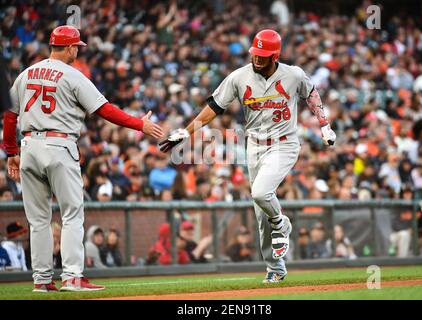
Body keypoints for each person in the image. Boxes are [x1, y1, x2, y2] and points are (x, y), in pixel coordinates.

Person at [158, 29, 336, 283]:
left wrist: (325, 125)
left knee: (261, 193)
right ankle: (275, 268)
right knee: (260, 214)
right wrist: (186, 133)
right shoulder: (239, 77)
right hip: (254, 146)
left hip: (284, 144)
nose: (258, 58)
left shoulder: (293, 74)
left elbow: (312, 94)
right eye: (256, 53)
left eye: (264, 54)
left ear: (275, 55)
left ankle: (281, 223)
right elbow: (214, 108)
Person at [2, 25, 163, 292]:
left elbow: (9, 114)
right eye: (77, 46)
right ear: (68, 47)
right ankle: (72, 277)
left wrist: (10, 152)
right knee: (72, 214)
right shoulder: (72, 75)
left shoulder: (26, 73)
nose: (78, 51)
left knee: (38, 220)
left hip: (28, 145)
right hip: (59, 143)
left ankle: (41, 281)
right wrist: (139, 125)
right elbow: (105, 110)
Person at [389, 184, 422, 264]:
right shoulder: (397, 206)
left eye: (409, 193)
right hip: (398, 235)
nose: (407, 195)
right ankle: (402, 261)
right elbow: (395, 225)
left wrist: (421, 230)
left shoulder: (416, 206)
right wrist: (409, 230)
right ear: (402, 194)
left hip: (415, 235)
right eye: (405, 193)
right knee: (404, 234)